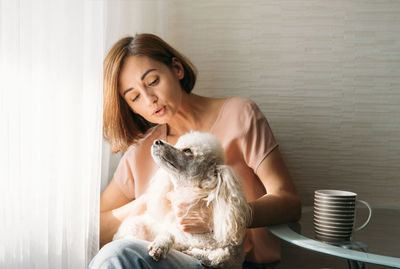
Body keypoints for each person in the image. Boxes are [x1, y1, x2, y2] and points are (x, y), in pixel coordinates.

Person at [89, 33, 301, 269]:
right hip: (164, 257)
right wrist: (149, 202)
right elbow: (96, 228)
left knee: (119, 255)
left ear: (177, 69)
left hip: (234, 263)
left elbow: (289, 202)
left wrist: (218, 216)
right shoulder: (143, 150)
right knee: (117, 254)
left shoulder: (240, 115)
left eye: (153, 81)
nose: (150, 99)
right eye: (135, 96)